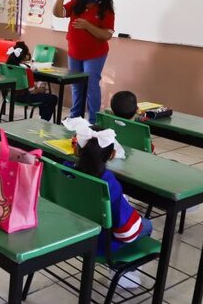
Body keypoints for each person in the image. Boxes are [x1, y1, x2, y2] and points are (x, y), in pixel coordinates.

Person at [68, 119, 151, 289]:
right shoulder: (108, 184)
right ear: (112, 155)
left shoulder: (65, 171)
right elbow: (126, 232)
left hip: (70, 234)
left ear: (75, 149)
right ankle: (124, 273)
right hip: (100, 245)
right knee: (147, 225)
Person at [52, 0, 115, 119]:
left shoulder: (106, 11)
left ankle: (94, 120)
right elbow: (57, 13)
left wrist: (87, 26)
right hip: (74, 53)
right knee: (76, 86)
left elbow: (106, 35)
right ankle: (75, 117)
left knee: (91, 86)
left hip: (95, 55)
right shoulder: (76, 4)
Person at [5, 41, 59, 122]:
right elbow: (33, 92)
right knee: (52, 98)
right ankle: (43, 122)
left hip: (10, 95)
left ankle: (42, 119)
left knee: (44, 98)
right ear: (26, 56)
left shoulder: (7, 66)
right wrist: (41, 88)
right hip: (24, 97)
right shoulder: (26, 70)